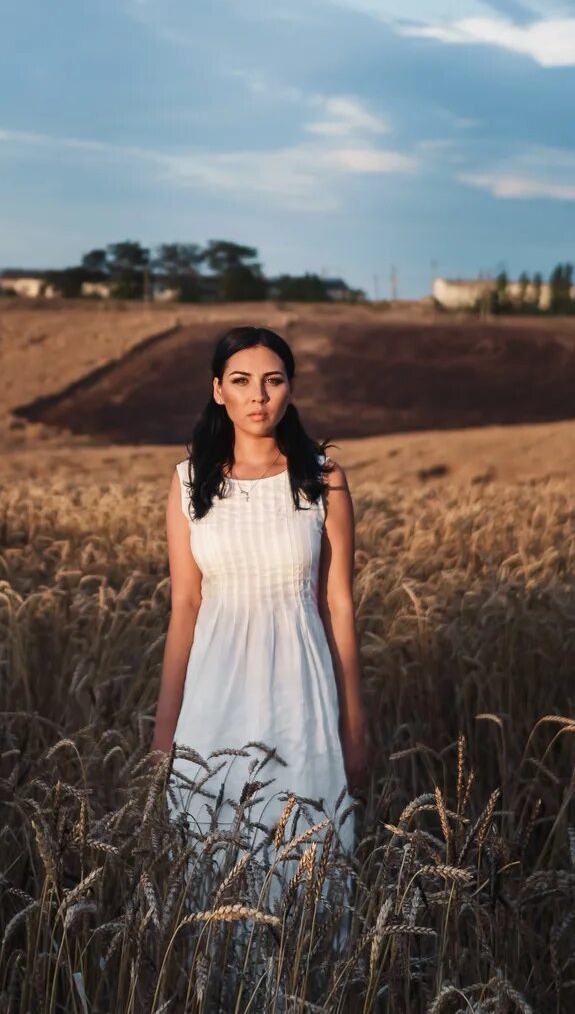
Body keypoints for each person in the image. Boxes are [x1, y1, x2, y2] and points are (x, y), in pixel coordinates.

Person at [153, 325, 368, 985]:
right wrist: (165, 736)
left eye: (273, 380)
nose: (258, 395)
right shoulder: (190, 483)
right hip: (213, 705)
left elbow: (339, 606)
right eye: (241, 381)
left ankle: (304, 991)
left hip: (299, 700)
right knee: (211, 880)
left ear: (290, 388)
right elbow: (184, 608)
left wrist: (355, 723)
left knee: (306, 864)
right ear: (218, 390)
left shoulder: (321, 478)